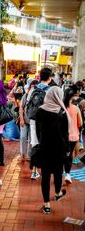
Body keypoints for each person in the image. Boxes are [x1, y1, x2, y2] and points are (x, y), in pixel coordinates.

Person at [35, 86, 70, 214]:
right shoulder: (62, 112)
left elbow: (38, 131)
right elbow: (65, 133)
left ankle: (47, 205)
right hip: (59, 149)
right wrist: (67, 149)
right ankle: (57, 193)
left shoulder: (40, 111)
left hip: (45, 147)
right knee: (57, 172)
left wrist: (40, 142)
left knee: (45, 176)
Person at [28, 67, 52, 179]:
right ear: (50, 77)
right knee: (46, 145)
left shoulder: (33, 89)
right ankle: (45, 170)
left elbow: (28, 104)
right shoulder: (50, 90)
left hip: (33, 120)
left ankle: (34, 171)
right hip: (46, 121)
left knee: (34, 144)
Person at [63, 87, 83, 183]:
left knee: (60, 155)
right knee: (69, 155)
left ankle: (58, 173)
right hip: (73, 136)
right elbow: (80, 123)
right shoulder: (76, 108)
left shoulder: (60, 107)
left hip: (61, 136)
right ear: (72, 97)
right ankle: (67, 174)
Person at [18, 79, 38, 162]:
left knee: (31, 139)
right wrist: (21, 119)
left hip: (33, 122)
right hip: (25, 121)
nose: (33, 87)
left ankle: (29, 155)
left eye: (35, 85)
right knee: (23, 137)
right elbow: (21, 108)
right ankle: (22, 154)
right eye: (32, 85)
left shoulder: (38, 98)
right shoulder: (25, 96)